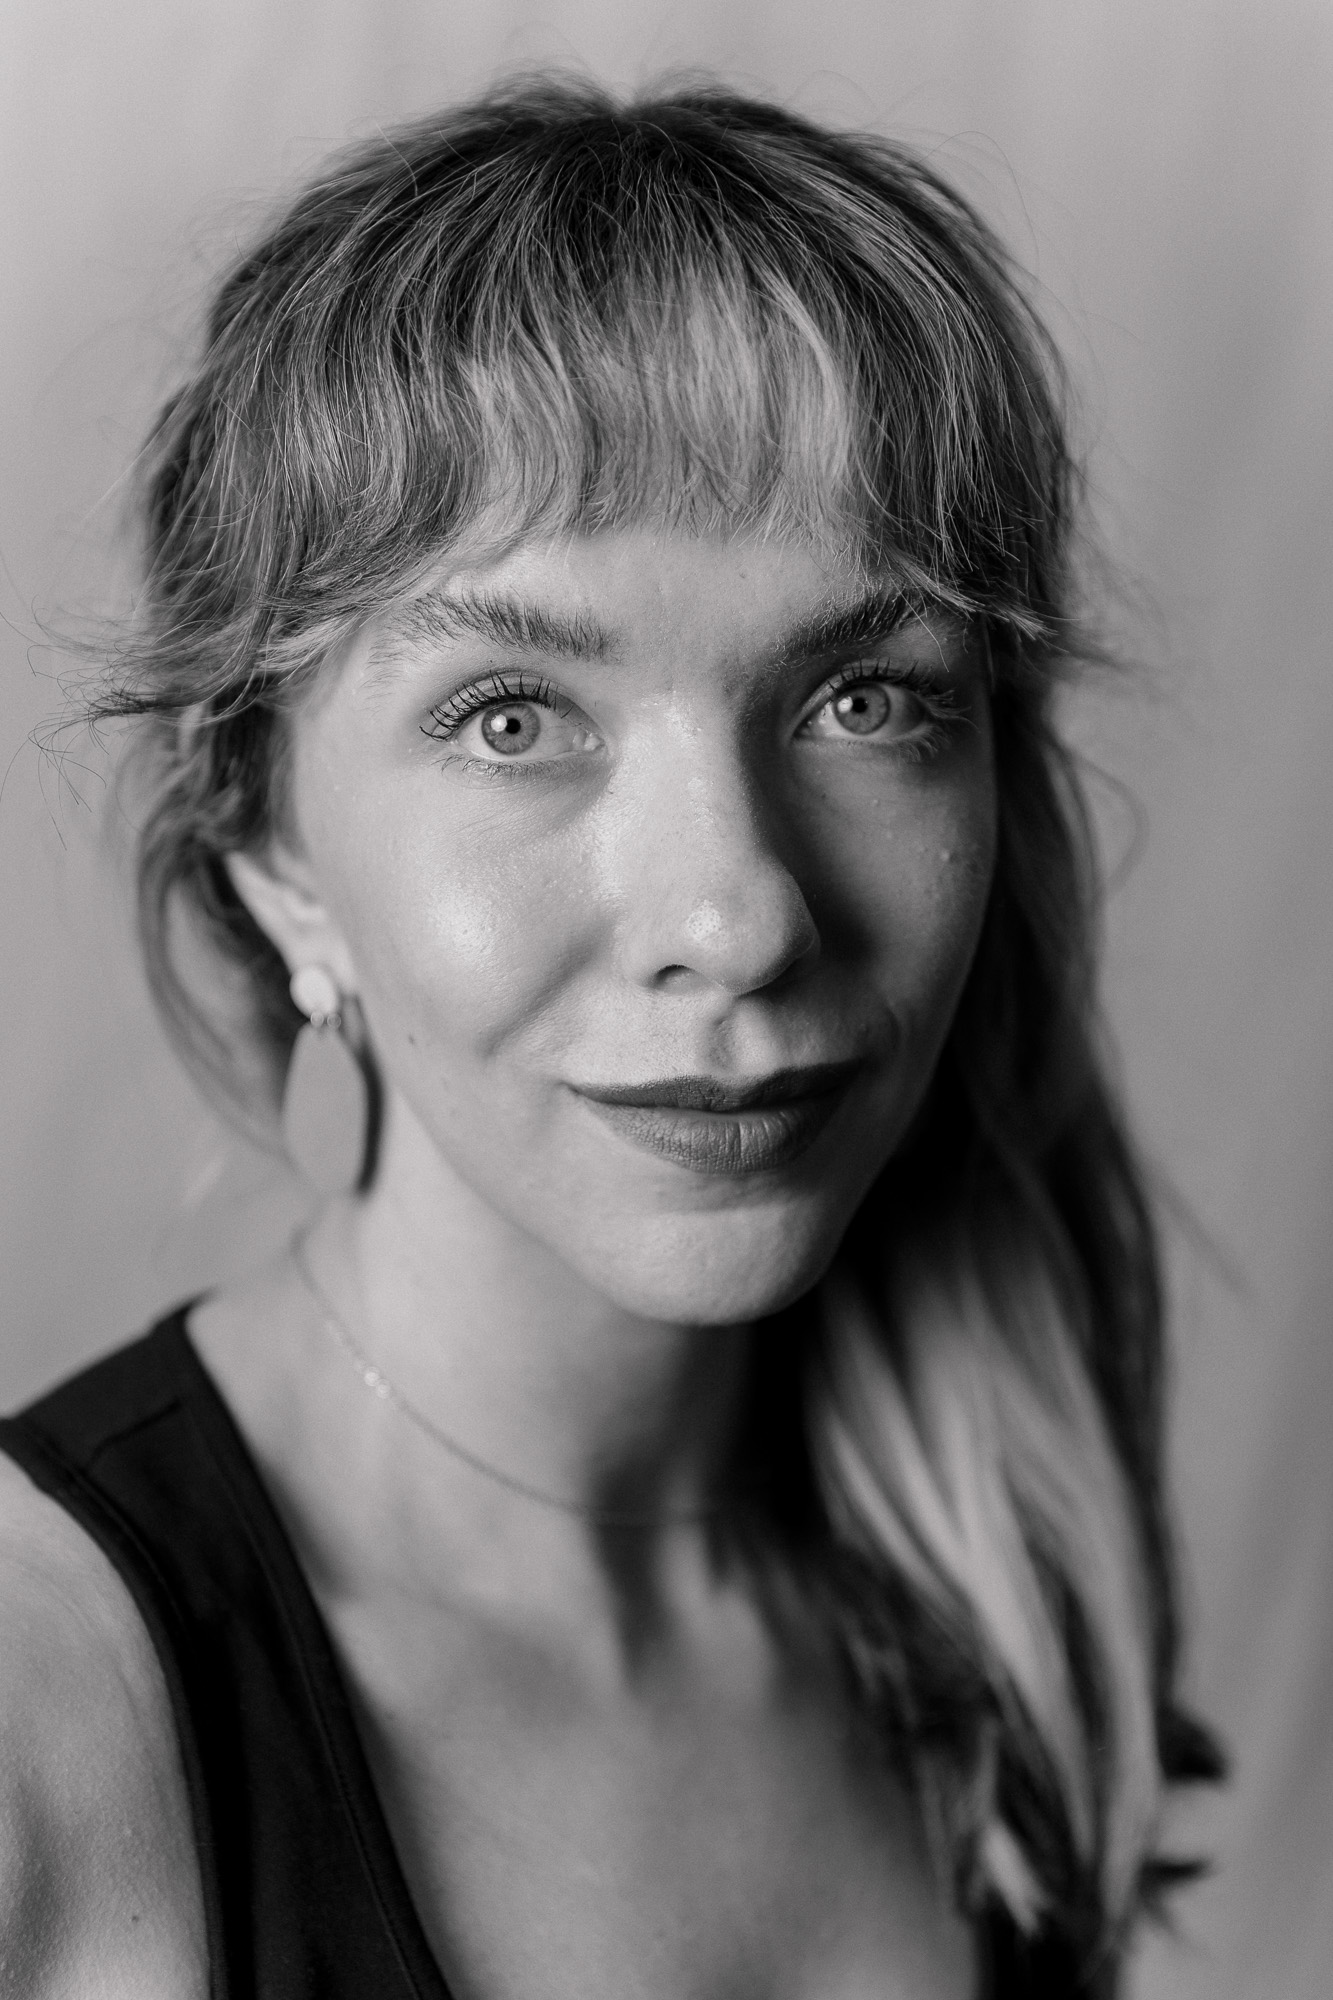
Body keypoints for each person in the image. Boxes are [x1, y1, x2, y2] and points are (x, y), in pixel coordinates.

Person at [0, 79, 1220, 1998]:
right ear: (269, 850)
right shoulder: (33, 1718)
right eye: (512, 716)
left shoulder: (991, 1587)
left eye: (865, 698)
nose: (738, 918)